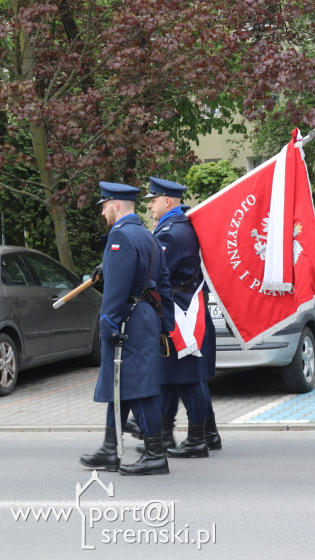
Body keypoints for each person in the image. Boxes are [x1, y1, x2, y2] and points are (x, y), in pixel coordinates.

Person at [80, 182, 174, 476]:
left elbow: (116, 290)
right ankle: (111, 448)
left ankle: (155, 454)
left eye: (105, 206)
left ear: (117, 205)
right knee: (120, 383)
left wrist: (107, 322)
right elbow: (163, 281)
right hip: (145, 315)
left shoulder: (119, 235)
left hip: (127, 318)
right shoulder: (147, 235)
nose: (103, 213)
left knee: (136, 387)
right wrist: (165, 323)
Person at [145, 177, 218, 458]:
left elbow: (153, 272)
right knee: (172, 377)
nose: (150, 205)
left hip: (182, 313)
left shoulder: (171, 233)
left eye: (153, 200)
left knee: (187, 378)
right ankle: (183, 435)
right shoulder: (176, 226)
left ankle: (197, 440)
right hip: (181, 308)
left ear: (167, 201)